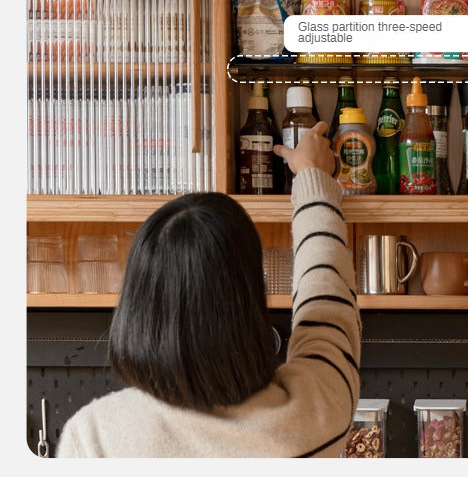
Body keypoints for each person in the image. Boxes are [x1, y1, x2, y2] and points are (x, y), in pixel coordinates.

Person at [56, 121, 361, 457]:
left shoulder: (93, 437)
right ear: (246, 304)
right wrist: (311, 176)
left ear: (137, 306)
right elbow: (326, 298)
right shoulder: (315, 412)